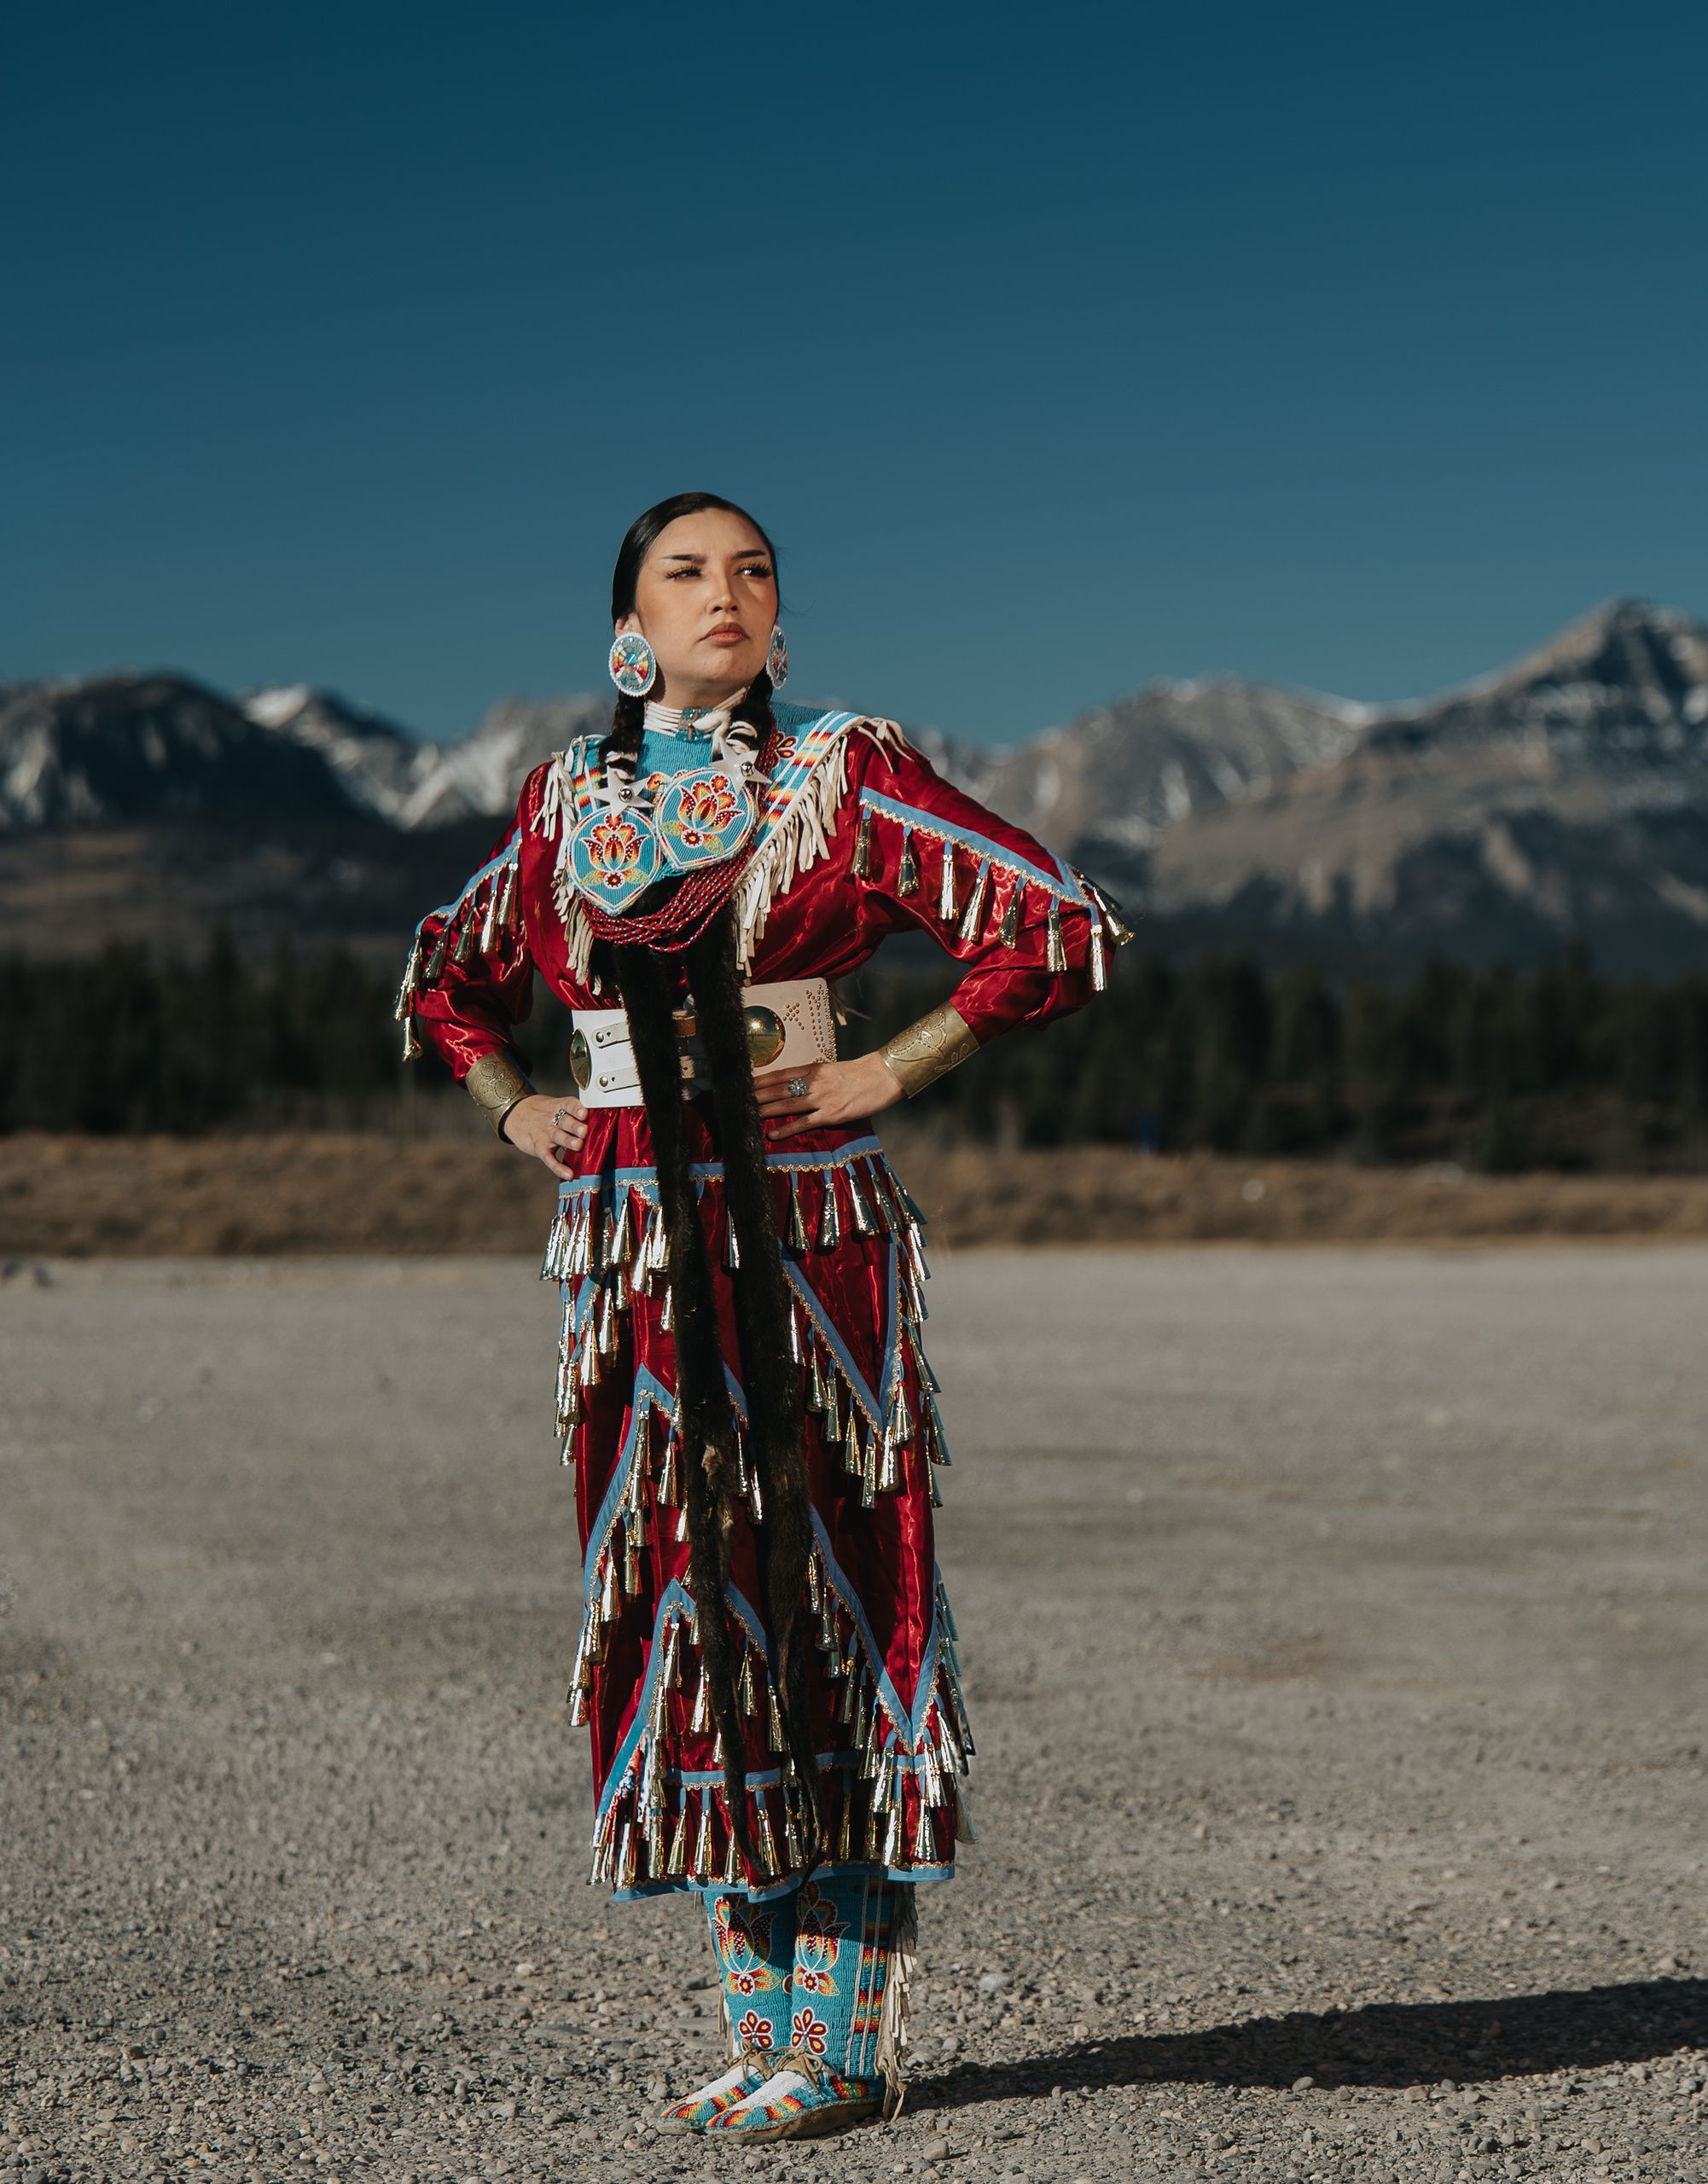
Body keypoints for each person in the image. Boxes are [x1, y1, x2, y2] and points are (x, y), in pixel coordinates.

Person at [403, 492, 1124, 2143]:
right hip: (632, 1252)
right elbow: (444, 974)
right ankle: (753, 2020)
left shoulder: (844, 779)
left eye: (754, 576)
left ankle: (847, 2040)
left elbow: (1055, 926)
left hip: (806, 1245)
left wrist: (885, 1067)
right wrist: (518, 1108)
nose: (723, 595)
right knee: (693, 1602)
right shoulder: (560, 808)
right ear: (624, 635)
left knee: (824, 1585)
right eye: (686, 574)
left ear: (782, 628)